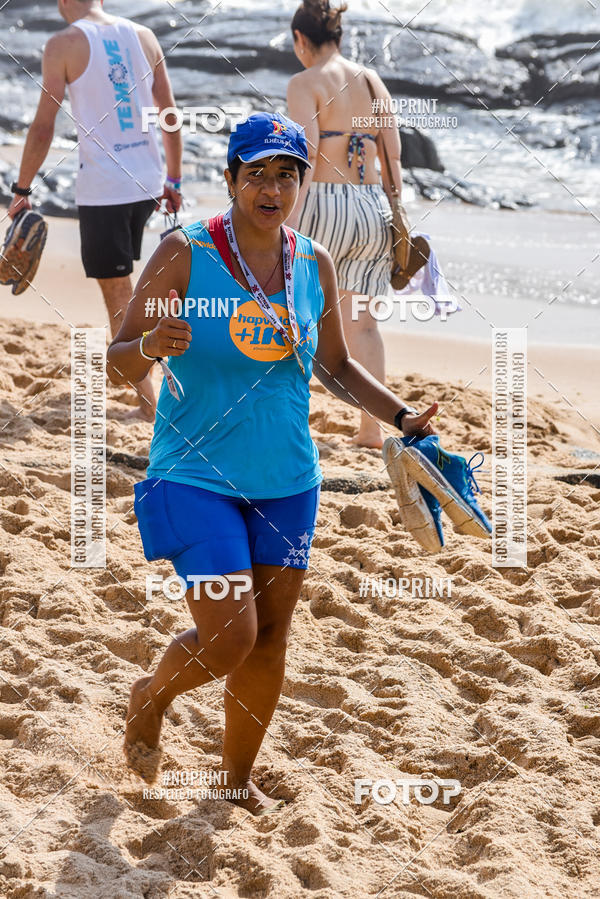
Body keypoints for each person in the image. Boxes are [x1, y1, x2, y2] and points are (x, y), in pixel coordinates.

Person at [107, 112, 438, 815]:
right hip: (194, 474)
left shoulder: (311, 262)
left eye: (286, 173)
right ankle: (151, 696)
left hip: (287, 481)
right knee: (231, 636)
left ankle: (232, 776)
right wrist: (151, 346)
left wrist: (403, 416)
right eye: (255, 171)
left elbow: (339, 365)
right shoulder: (184, 254)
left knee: (271, 640)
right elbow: (116, 361)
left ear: (300, 184)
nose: (271, 187)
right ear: (230, 178)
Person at [7, 0, 182, 421]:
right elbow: (170, 114)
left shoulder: (62, 44)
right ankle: (162, 383)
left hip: (105, 189)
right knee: (137, 286)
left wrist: (22, 187)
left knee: (118, 293)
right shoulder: (144, 35)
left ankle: (149, 404)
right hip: (148, 181)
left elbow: (44, 123)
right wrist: (174, 179)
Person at [287, 0, 405, 449]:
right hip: (373, 207)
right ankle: (371, 431)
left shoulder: (305, 82)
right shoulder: (373, 81)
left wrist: (289, 226)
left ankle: (292, 424)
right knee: (364, 325)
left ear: (302, 40)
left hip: (323, 203)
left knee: (299, 316)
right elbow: (393, 155)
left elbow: (307, 156)